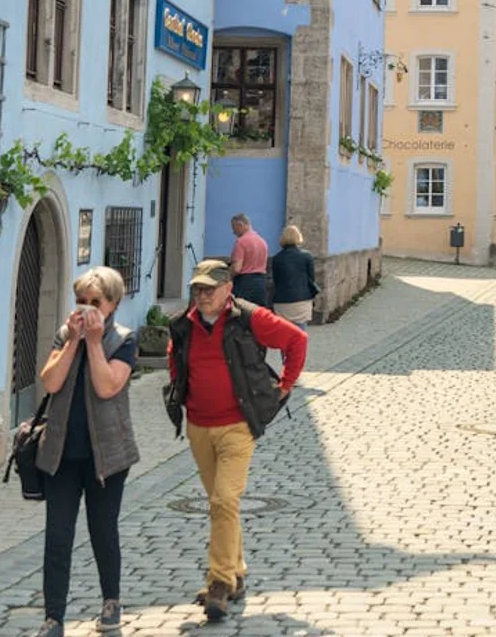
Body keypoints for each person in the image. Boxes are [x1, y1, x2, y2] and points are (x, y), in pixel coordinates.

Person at [165, 260, 307, 622]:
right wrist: (176, 391)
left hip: (237, 426)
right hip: (199, 426)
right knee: (222, 505)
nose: (203, 295)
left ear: (228, 289)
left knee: (224, 499)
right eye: (198, 289)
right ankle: (238, 571)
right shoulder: (184, 324)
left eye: (210, 289)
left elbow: (296, 339)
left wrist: (286, 385)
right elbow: (174, 357)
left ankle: (219, 582)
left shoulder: (249, 318)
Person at [32, 267, 140, 637]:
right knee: (57, 536)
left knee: (102, 530)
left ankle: (111, 600)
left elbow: (108, 385)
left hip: (107, 455)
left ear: (113, 304)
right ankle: (53, 617)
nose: (87, 308)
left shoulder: (124, 339)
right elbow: (50, 381)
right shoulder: (65, 335)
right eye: (81, 301)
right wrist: (75, 342)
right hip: (61, 454)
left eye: (96, 302)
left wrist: (94, 343)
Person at [270, 225, 317, 330]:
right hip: (302, 300)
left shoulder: (277, 258)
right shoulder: (307, 256)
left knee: (284, 334)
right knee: (300, 334)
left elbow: (276, 280)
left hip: (282, 301)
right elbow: (311, 279)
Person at [229, 214, 269, 306]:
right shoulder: (262, 242)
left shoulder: (241, 242)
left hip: (244, 283)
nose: (233, 232)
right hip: (261, 283)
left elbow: (237, 269)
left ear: (240, 225)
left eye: (234, 228)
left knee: (242, 314)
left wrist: (227, 277)